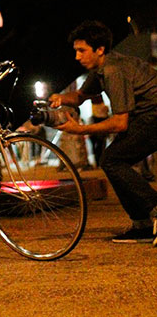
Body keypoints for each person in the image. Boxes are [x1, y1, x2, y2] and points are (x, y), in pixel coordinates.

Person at [49, 20, 157, 244]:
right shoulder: (102, 68)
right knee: (111, 160)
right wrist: (58, 99)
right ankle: (143, 224)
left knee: (112, 159)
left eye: (82, 51)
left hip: (153, 117)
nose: (77, 57)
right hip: (146, 117)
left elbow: (120, 123)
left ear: (99, 50)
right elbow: (79, 97)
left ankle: (151, 210)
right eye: (75, 51)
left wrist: (79, 130)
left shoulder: (113, 71)